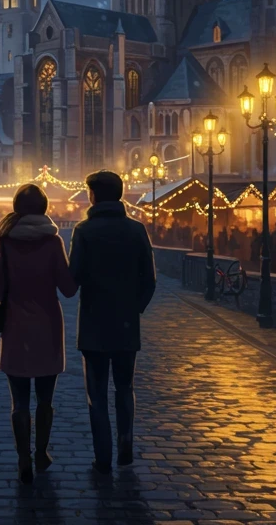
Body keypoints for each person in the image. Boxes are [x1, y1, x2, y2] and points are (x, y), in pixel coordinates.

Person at [68, 170, 156, 475]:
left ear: (94, 196)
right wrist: (133, 310)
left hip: (93, 325)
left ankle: (103, 457)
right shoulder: (136, 230)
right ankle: (126, 448)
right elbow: (150, 280)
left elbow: (73, 280)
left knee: (97, 395)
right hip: (126, 325)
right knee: (124, 387)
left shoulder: (84, 231)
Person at [0, 184, 77, 484]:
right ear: (44, 208)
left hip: (15, 327)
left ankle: (22, 457)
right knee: (45, 400)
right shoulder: (53, 242)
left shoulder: (5, 241)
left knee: (19, 402)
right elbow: (67, 289)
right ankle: (41, 452)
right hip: (48, 327)